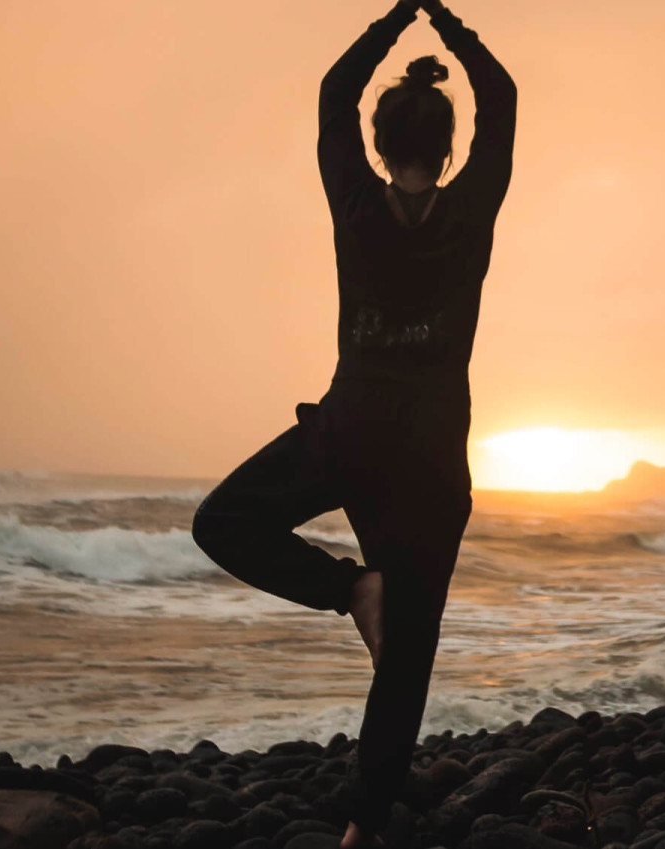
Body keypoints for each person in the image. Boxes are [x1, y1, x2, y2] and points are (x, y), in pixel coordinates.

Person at [190, 0, 514, 844]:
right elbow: (504, 97)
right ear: (446, 151)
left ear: (378, 147)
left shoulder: (355, 206)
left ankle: (347, 589)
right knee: (409, 646)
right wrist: (449, 24)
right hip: (433, 454)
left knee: (221, 520)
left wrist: (398, 17)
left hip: (353, 430)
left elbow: (335, 91)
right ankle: (364, 828)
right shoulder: (471, 210)